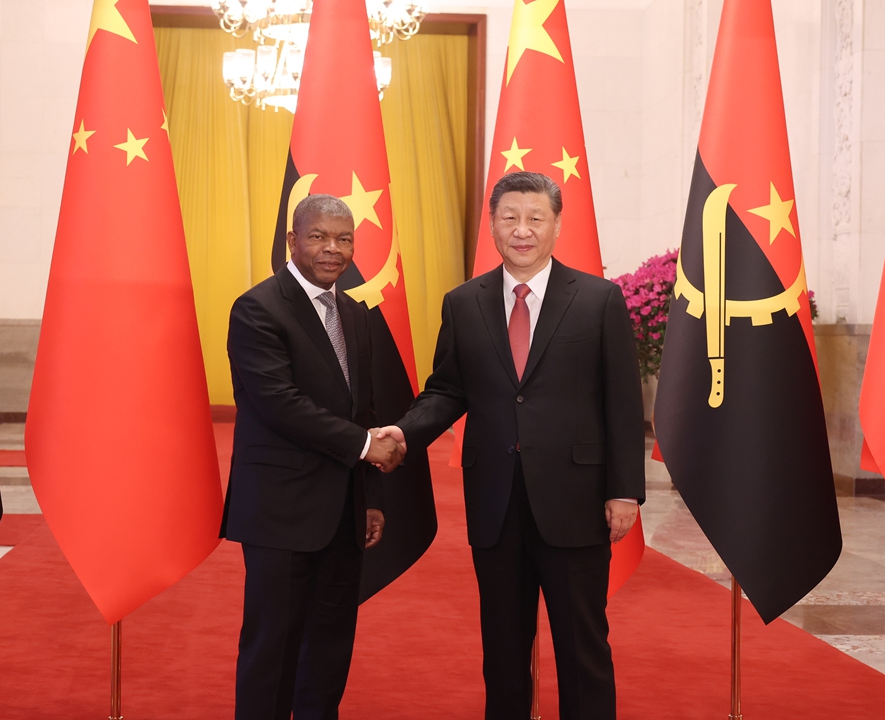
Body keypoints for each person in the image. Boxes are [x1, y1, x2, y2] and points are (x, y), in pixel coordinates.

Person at [377, 171, 644, 719]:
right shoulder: (463, 303)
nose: (522, 230)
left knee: (583, 648)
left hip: (575, 500)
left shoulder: (598, 299)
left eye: (535, 218)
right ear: (493, 226)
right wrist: (406, 431)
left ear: (556, 225)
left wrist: (624, 490)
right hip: (496, 502)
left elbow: (622, 401)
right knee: (502, 650)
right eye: (510, 218)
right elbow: (447, 389)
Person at [221, 194, 405, 720]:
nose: (332, 249)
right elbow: (279, 404)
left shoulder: (354, 313)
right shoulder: (257, 308)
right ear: (292, 241)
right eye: (319, 236)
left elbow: (364, 408)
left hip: (344, 510)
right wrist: (367, 446)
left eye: (344, 239)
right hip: (281, 512)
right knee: (273, 647)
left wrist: (371, 496)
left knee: (329, 645)